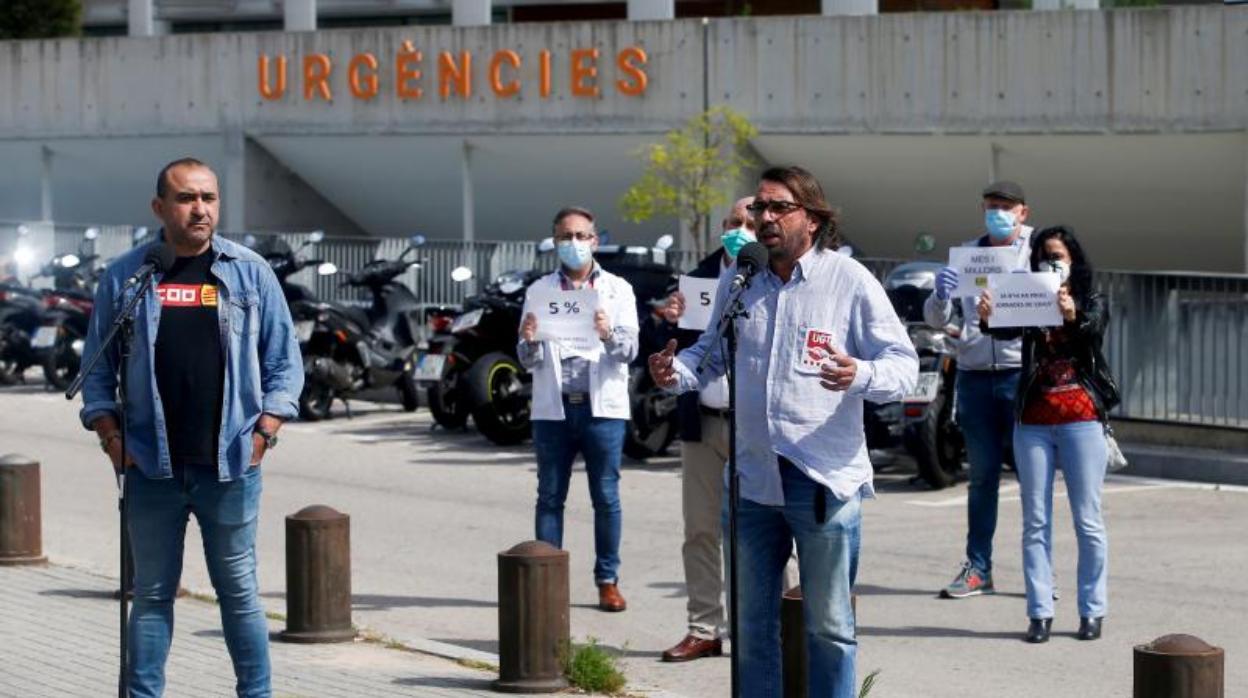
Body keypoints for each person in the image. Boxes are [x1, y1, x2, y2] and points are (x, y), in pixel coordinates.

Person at [649, 166, 918, 696]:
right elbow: (707, 354)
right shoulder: (740, 277)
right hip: (750, 479)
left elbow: (903, 367)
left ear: (812, 220)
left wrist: (858, 374)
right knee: (751, 630)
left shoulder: (849, 281)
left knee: (829, 628)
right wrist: (673, 372)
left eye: (778, 208)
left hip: (821, 480)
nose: (764, 219)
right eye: (759, 209)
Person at [79, 157, 304, 697]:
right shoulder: (128, 276)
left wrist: (264, 431)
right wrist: (112, 438)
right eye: (186, 198)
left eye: (208, 197)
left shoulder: (249, 271)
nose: (200, 208)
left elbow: (285, 364)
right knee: (152, 595)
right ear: (160, 208)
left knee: (240, 594)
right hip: (149, 468)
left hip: (229, 466)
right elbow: (95, 372)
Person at [660, 196, 796, 663]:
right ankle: (703, 626)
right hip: (703, 422)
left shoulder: (774, 278)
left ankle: (771, 625)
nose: (742, 228)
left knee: (765, 531)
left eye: (749, 221)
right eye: (733, 221)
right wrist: (664, 322)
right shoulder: (697, 278)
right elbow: (675, 353)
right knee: (699, 529)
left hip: (755, 428)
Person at [976, 225, 1118, 644]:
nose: (1050, 263)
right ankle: (1040, 612)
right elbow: (1004, 329)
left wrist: (1072, 315)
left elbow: (1093, 331)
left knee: (1087, 520)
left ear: (1073, 259)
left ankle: (1092, 610)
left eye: (1057, 256)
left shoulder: (1091, 298)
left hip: (1081, 418)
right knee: (1035, 521)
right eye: (1043, 257)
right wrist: (987, 318)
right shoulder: (1030, 292)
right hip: (1034, 420)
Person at [518, 206, 639, 612]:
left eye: (581, 235)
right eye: (566, 236)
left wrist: (607, 334)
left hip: (601, 408)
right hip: (554, 411)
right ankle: (546, 579)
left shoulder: (619, 290)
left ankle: (608, 579)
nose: (574, 243)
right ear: (555, 242)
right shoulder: (539, 291)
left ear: (595, 240)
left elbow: (629, 352)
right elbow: (527, 360)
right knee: (550, 496)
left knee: (606, 496)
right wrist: (529, 341)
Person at [924, 181, 1035, 599]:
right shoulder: (969, 255)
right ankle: (978, 568)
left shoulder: (1037, 250)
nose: (997, 213)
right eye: (991, 206)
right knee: (982, 478)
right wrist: (940, 293)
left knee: (1033, 478)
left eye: (1006, 207)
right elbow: (937, 319)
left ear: (1023, 212)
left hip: (1021, 375)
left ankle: (1039, 572)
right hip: (974, 376)